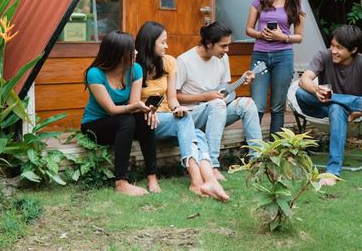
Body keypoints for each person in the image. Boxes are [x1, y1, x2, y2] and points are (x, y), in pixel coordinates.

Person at [135, 21, 229, 202]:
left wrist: (177, 108)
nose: (166, 46)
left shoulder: (169, 62)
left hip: (167, 119)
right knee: (188, 123)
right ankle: (198, 181)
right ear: (149, 42)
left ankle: (208, 180)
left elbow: (172, 99)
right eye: (162, 42)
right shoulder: (135, 67)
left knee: (196, 131)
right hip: (147, 120)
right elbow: (132, 101)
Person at [295, 25, 362, 185]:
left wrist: (358, 113)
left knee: (336, 107)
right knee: (300, 93)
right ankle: (355, 101)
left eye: (339, 48)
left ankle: (332, 171)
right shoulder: (323, 55)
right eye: (332, 45)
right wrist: (315, 89)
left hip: (344, 113)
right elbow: (303, 80)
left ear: (353, 49)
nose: (333, 50)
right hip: (318, 106)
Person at [176, 22, 263, 179]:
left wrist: (242, 81)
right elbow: (175, 97)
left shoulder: (222, 59)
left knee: (247, 104)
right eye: (223, 46)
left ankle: (257, 161)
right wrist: (204, 97)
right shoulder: (184, 61)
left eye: (228, 45)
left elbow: (224, 90)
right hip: (191, 116)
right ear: (209, 44)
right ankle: (212, 165)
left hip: (216, 111)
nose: (227, 50)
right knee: (217, 104)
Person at [80, 31, 160, 196]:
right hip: (95, 125)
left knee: (144, 118)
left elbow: (133, 104)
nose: (136, 53)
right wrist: (136, 107)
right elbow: (111, 109)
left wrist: (148, 110)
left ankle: (152, 176)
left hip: (122, 122)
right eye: (132, 50)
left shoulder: (135, 69)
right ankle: (121, 182)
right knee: (127, 120)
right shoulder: (95, 74)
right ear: (118, 53)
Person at [246, 0, 306, 135]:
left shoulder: (296, 6)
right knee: (256, 105)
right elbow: (248, 29)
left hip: (283, 58)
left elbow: (299, 37)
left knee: (277, 107)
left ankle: (275, 151)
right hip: (260, 56)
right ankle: (253, 150)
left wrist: (283, 37)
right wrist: (260, 35)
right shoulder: (260, 0)